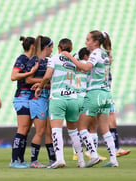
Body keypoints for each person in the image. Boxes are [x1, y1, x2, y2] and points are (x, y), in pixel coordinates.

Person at [35, 38, 100, 169]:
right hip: (73, 98)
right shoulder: (74, 60)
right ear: (70, 48)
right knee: (73, 131)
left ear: (59, 48)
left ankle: (60, 159)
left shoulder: (54, 58)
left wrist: (40, 87)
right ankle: (81, 161)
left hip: (58, 98)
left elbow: (47, 76)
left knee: (56, 129)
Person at [61, 30, 119, 167]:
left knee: (81, 127)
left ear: (95, 42)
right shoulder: (105, 54)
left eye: (88, 40)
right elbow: (92, 70)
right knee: (105, 129)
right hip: (106, 94)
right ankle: (113, 160)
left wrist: (70, 57)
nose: (86, 42)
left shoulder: (96, 53)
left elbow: (87, 67)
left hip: (95, 93)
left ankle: (93, 155)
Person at [25, 35, 56, 168]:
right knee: (40, 131)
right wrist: (42, 84)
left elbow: (50, 82)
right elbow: (28, 80)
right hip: (37, 98)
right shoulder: (34, 60)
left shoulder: (49, 61)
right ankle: (33, 161)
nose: (52, 51)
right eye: (51, 48)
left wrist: (44, 85)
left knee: (50, 131)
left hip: (48, 97)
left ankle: (53, 160)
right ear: (47, 47)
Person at [72, 47, 107, 161]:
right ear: (87, 56)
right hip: (85, 97)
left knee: (76, 128)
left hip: (73, 97)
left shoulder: (73, 65)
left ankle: (77, 153)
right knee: (92, 127)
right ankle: (92, 152)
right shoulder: (87, 66)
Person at [9, 36, 39, 168]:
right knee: (22, 128)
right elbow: (13, 76)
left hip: (28, 96)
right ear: (33, 46)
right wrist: (30, 73)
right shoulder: (22, 59)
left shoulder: (31, 59)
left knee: (26, 130)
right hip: (22, 96)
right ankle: (14, 160)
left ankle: (20, 159)